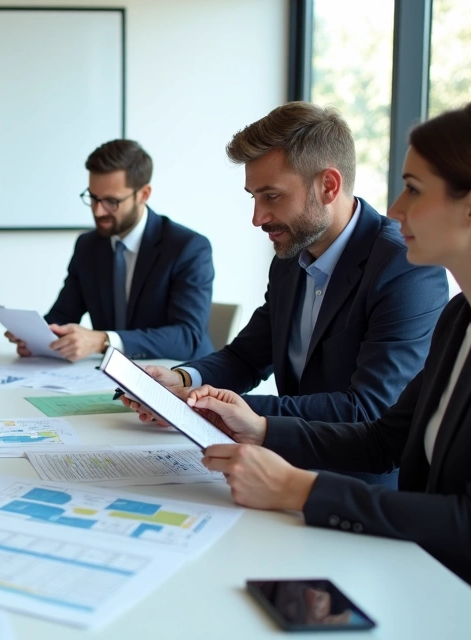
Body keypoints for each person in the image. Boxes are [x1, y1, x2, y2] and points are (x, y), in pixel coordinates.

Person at [185, 100, 471, 628]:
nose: (395, 208)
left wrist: (296, 488)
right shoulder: (463, 315)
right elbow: (382, 437)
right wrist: (259, 428)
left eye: (414, 188)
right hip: (419, 574)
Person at [131, 103, 448, 486]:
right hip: (283, 467)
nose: (257, 217)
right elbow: (247, 357)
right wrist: (184, 381)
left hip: (356, 488)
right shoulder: (290, 257)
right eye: (253, 197)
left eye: (272, 196)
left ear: (329, 186)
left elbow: (368, 409)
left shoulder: (404, 268)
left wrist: (223, 409)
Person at [9, 139, 215, 362]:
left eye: (110, 201)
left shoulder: (187, 247)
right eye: (93, 198)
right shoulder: (88, 245)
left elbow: (186, 337)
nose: (98, 211)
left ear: (144, 194)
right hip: (109, 379)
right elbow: (64, 314)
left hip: (180, 379)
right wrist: (40, 338)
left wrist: (102, 341)